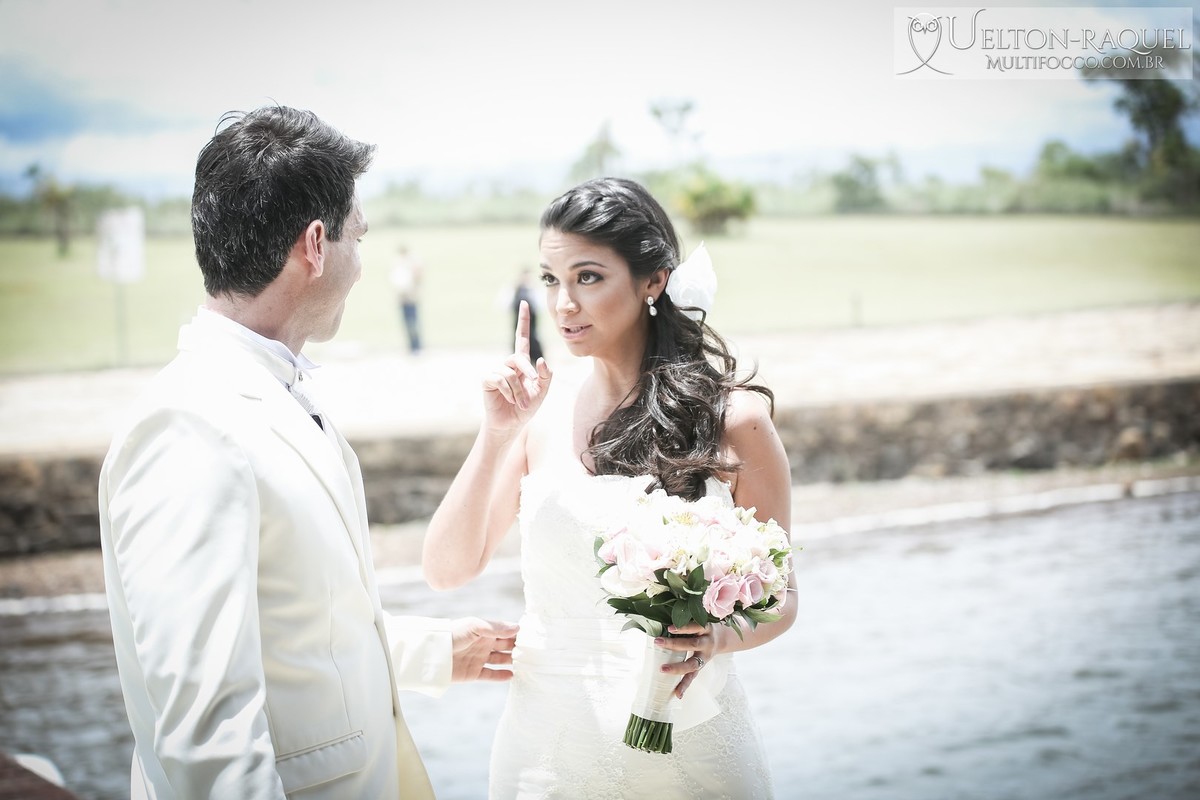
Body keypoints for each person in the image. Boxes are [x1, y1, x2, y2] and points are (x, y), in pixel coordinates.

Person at [98, 106, 517, 800]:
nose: (360, 263)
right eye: (359, 237)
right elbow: (206, 737)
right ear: (316, 245)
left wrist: (435, 653)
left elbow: (296, 623)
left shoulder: (273, 389)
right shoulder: (188, 428)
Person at [422, 177, 796, 798]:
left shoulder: (736, 420)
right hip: (546, 752)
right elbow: (445, 570)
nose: (563, 303)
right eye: (551, 279)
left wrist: (717, 635)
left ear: (653, 280)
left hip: (693, 745)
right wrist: (495, 435)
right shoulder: (534, 420)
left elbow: (782, 600)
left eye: (588, 277)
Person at [391, 245, 423, 354]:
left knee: (412, 323)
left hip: (410, 299)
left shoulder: (412, 264)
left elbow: (417, 279)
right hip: (403, 299)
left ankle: (416, 347)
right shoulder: (398, 264)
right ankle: (411, 347)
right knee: (406, 324)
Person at [510, 267, 543, 363]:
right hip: (517, 326)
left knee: (535, 348)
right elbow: (504, 305)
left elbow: (541, 305)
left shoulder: (534, 290)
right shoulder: (514, 289)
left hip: (533, 327)